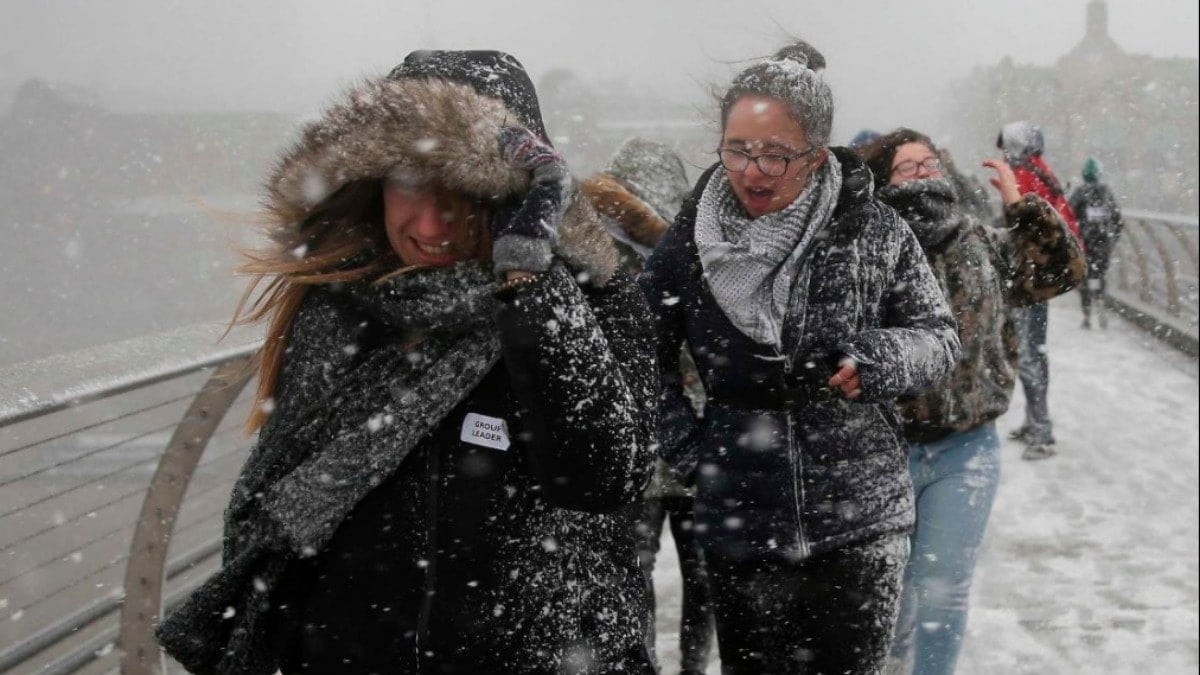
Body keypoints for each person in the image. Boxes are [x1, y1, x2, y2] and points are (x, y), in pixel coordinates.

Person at [154, 50, 659, 675]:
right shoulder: (341, 304)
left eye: (467, 192)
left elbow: (602, 474)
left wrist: (528, 275)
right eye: (411, 184)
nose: (432, 223)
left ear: (515, 193)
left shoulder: (594, 303)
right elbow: (276, 510)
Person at [638, 43, 961, 675]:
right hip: (740, 510)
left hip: (862, 514)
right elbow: (637, 354)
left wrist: (884, 358)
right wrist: (690, 452)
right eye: (737, 150)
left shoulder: (873, 228)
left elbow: (938, 336)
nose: (753, 171)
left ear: (816, 154)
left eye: (776, 155)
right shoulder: (691, 238)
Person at [860, 128, 1083, 675]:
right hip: (883, 449)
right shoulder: (868, 250)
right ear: (883, 181)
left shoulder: (983, 244)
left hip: (966, 450)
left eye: (928, 162)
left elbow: (1063, 271)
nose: (921, 173)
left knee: (942, 589)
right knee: (891, 596)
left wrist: (1022, 209)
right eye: (906, 167)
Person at [581, 138, 716, 675]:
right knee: (644, 574)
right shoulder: (600, 257)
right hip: (650, 448)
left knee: (672, 575)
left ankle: (679, 667)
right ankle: (659, 666)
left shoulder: (687, 255)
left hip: (671, 443)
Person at [996, 120, 1081, 460]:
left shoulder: (1028, 176)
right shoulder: (1040, 172)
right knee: (1034, 351)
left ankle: (1041, 432)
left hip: (1029, 279)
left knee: (1029, 354)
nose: (1003, 151)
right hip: (1038, 277)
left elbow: (1028, 228)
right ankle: (1035, 423)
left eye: (1007, 144)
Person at [1070, 156, 1125, 329]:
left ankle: (1086, 315)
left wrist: (1076, 238)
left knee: (1085, 277)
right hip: (1103, 243)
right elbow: (1117, 220)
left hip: (1085, 243)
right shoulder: (1106, 193)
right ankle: (1101, 303)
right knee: (1100, 274)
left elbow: (1069, 216)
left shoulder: (1080, 193)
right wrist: (1112, 239)